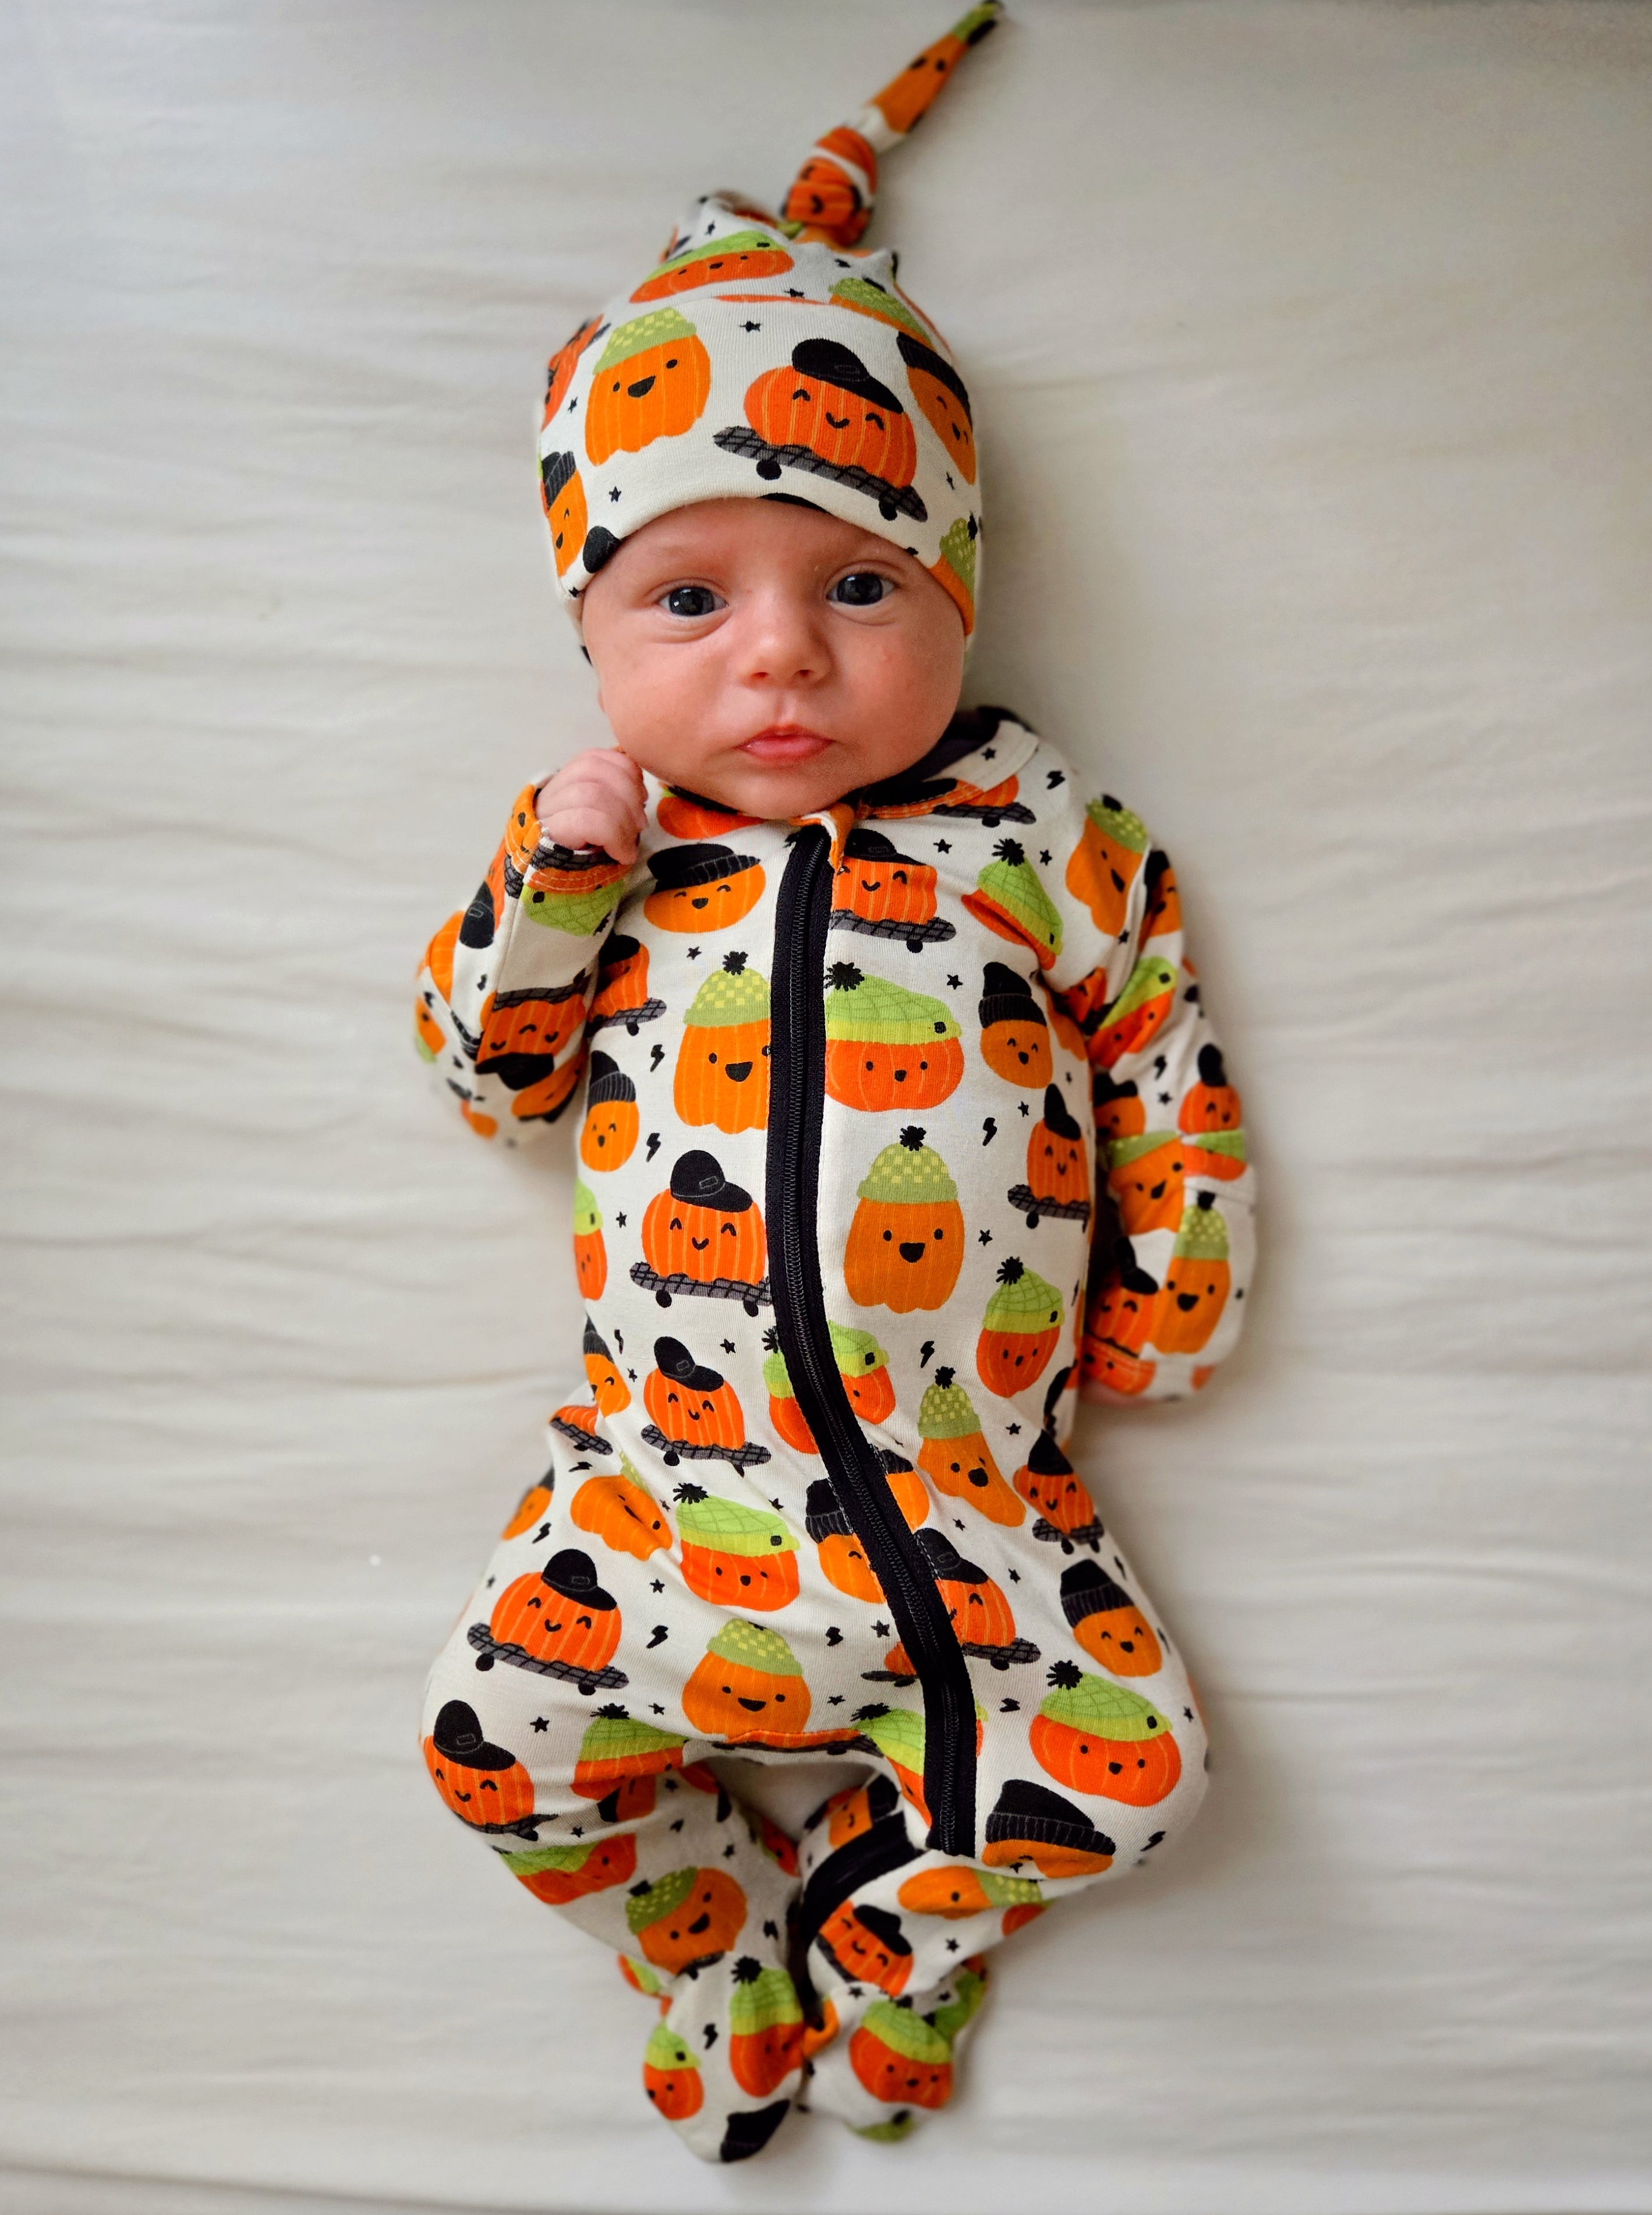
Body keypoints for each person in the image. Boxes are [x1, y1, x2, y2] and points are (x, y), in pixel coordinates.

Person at [415, 4, 1255, 2162]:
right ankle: (705, 1937)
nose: (778, 654)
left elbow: (1149, 1017)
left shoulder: (1029, 823)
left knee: (1137, 1770)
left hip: (971, 1522)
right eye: (688, 594)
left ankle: (889, 1920)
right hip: (643, 1502)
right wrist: (546, 894)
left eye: (859, 585)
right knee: (483, 1748)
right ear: (593, 631)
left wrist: (1176, 1260)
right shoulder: (609, 850)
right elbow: (479, 1070)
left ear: (957, 595)